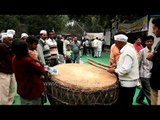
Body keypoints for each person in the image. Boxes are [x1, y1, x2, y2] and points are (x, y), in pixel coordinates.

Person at [107, 34, 139, 106]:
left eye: (115, 43)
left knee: (125, 102)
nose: (115, 45)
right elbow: (125, 64)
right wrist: (117, 65)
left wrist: (114, 71)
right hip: (127, 82)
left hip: (128, 83)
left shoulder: (127, 52)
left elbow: (125, 70)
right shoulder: (126, 50)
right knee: (123, 101)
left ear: (119, 42)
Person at [12, 40, 46, 105]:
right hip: (32, 90)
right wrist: (37, 61)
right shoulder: (28, 61)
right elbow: (42, 70)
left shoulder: (14, 58)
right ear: (24, 50)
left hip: (23, 89)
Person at [136, 35, 154, 105]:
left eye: (151, 41)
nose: (149, 43)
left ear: (153, 42)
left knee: (144, 89)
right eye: (148, 41)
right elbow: (138, 63)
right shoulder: (142, 51)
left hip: (151, 74)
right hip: (144, 74)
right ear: (145, 42)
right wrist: (138, 75)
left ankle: (139, 99)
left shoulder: (154, 51)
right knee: (149, 91)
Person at [147, 17, 160, 105]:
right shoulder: (159, 43)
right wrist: (153, 56)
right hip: (155, 82)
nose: (153, 31)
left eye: (154, 28)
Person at [0, 33, 16, 105]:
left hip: (11, 71)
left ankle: (9, 103)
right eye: (9, 40)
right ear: (4, 40)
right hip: (4, 72)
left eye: (11, 40)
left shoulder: (10, 47)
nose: (11, 41)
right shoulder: (1, 47)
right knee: (4, 91)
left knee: (12, 89)